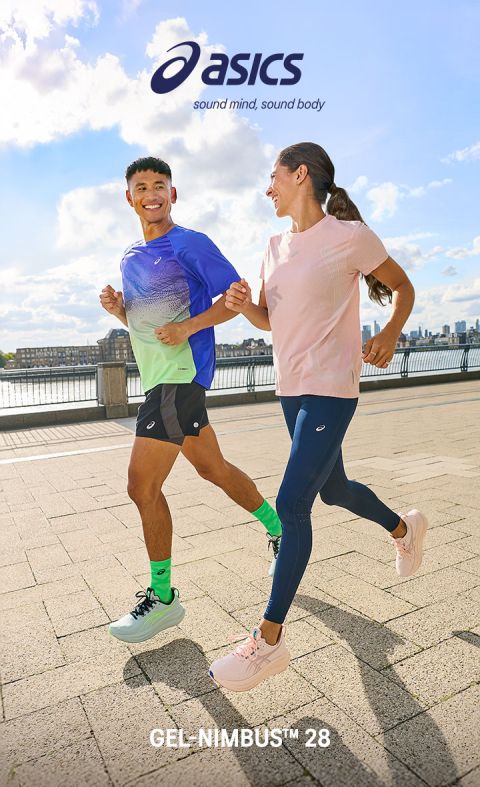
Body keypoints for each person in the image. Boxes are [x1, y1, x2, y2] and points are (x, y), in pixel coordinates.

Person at [208, 141, 429, 692]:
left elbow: (403, 287)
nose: (268, 188)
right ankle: (405, 529)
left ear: (300, 175)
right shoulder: (273, 246)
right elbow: (269, 320)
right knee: (334, 490)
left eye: (274, 177)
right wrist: (242, 306)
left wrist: (390, 332)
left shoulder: (349, 237)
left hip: (332, 387)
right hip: (291, 388)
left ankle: (268, 641)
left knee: (291, 505)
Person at [100, 156, 283, 643]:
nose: (152, 193)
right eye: (142, 186)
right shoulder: (130, 256)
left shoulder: (190, 243)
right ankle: (280, 530)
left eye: (160, 184)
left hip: (180, 378)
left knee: (141, 487)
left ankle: (163, 598)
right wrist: (121, 313)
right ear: (129, 198)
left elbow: (235, 297)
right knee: (213, 469)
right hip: (159, 378)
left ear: (173, 194)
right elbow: (148, 327)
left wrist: (189, 327)